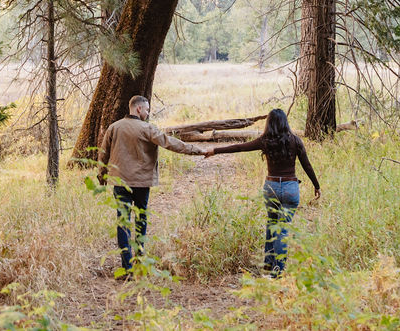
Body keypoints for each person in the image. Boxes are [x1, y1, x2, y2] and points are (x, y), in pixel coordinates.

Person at [97, 95, 205, 275]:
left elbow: (103, 154)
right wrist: (197, 150)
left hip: (120, 182)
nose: (148, 113)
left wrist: (101, 175)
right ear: (138, 109)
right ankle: (140, 260)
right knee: (141, 219)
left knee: (123, 222)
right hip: (141, 182)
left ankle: (127, 267)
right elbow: (170, 143)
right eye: (147, 109)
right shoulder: (147, 128)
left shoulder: (113, 127)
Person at [204, 108, 320, 275]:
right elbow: (307, 165)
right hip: (290, 188)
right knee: (282, 228)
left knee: (272, 223)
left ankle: (268, 264)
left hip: (271, 188)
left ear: (270, 124)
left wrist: (215, 151)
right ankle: (277, 271)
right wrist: (316, 185)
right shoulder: (295, 141)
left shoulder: (266, 141)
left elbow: (240, 147)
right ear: (285, 122)